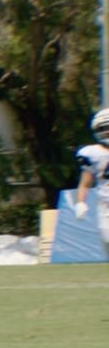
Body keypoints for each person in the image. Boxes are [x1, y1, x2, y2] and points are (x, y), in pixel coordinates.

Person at [73, 108, 109, 258]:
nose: (107, 132)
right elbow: (85, 183)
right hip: (106, 206)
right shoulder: (92, 153)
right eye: (104, 128)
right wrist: (81, 202)